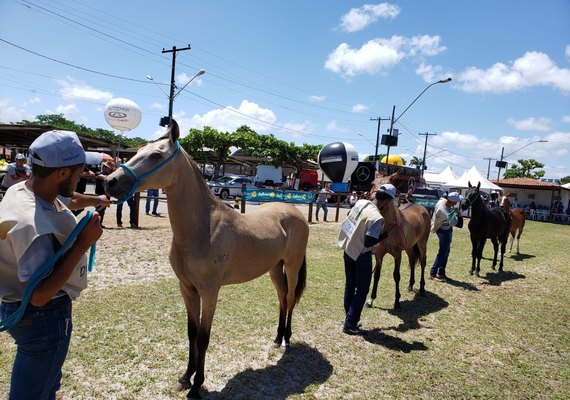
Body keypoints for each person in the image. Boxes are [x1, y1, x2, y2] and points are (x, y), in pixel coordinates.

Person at [0, 129, 107, 400]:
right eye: (79, 169)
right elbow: (38, 296)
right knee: (34, 392)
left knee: (45, 381)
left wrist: (98, 200)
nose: (82, 174)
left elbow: (68, 200)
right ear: (61, 174)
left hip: (21, 312)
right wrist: (83, 243)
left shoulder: (23, 190)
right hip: (42, 317)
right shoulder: (33, 226)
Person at [337, 184, 396, 335]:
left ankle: (350, 317)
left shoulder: (360, 202)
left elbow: (350, 216)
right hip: (361, 255)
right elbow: (369, 242)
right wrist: (386, 234)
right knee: (362, 290)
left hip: (348, 249)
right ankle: (350, 324)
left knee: (350, 286)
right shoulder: (377, 218)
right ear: (387, 201)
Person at [430, 191, 463, 281]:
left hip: (442, 228)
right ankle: (433, 272)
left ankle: (441, 272)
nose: (456, 203)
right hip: (444, 230)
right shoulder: (445, 212)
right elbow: (460, 225)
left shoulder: (442, 201)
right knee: (443, 252)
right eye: (456, 202)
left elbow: (442, 198)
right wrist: (459, 214)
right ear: (452, 202)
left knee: (446, 251)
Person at [94, 161, 115, 227]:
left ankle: (99, 222)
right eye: (105, 167)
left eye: (108, 168)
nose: (105, 168)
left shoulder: (111, 175)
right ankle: (95, 223)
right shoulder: (98, 173)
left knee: (103, 209)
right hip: (99, 193)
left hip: (107, 194)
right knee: (98, 208)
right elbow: (102, 176)